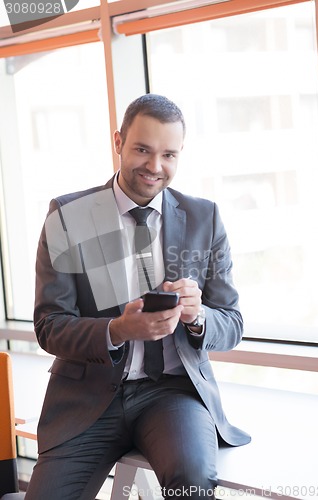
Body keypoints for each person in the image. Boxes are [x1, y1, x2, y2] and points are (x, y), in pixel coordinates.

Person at [25, 94, 250, 500]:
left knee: (193, 482)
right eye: (143, 149)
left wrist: (197, 317)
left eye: (169, 154)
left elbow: (232, 323)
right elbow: (49, 325)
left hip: (171, 395)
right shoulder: (68, 216)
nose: (155, 166)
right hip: (86, 397)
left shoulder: (204, 217)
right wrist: (118, 329)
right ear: (118, 142)